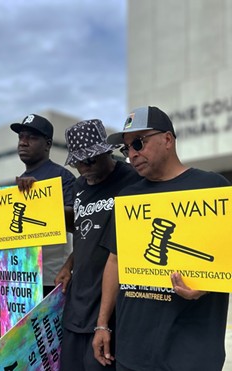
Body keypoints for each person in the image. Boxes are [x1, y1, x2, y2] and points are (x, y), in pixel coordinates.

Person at [91, 106, 232, 370]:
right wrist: (102, 324)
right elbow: (115, 261)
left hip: (191, 351)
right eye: (127, 149)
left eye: (139, 143)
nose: (133, 154)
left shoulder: (212, 187)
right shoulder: (127, 198)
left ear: (168, 140)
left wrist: (207, 284)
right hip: (132, 352)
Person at [53, 119, 141, 371]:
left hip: (113, 305)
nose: (85, 166)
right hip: (78, 302)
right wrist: (68, 264)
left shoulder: (133, 179)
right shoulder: (80, 186)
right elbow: (83, 234)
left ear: (106, 151)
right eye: (79, 161)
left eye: (91, 159)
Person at [11, 114, 76, 296]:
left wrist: (39, 200)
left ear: (47, 144)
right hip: (21, 276)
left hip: (51, 277)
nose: (23, 142)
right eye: (21, 137)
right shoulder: (18, 183)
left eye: (31, 137)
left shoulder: (62, 177)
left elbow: (75, 222)